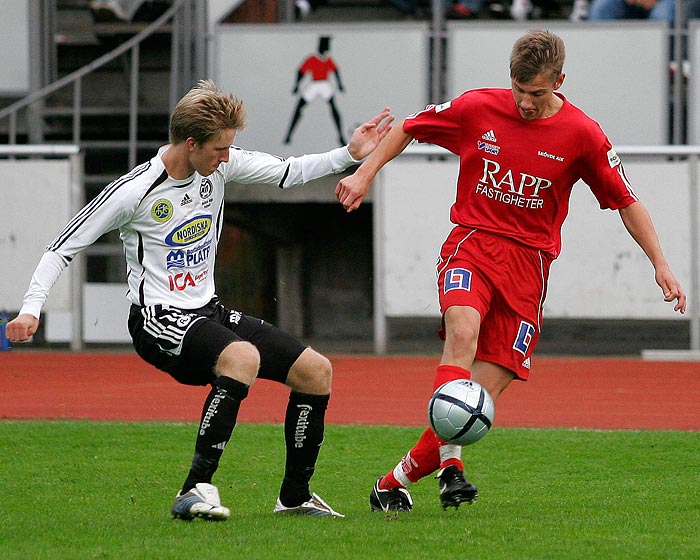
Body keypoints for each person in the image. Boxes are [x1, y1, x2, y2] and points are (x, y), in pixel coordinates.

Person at [6, 79, 393, 521]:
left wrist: (349, 154)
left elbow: (288, 171)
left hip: (207, 310)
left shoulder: (219, 167)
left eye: (230, 149)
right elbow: (62, 246)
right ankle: (193, 490)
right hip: (156, 319)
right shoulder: (135, 190)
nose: (227, 157)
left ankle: (294, 496)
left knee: (315, 371)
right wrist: (31, 308)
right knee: (242, 357)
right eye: (219, 150)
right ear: (190, 143)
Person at [335, 30, 686, 513]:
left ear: (559, 81)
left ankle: (393, 482)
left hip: (530, 269)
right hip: (473, 244)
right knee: (463, 331)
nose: (524, 102)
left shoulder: (583, 134)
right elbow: (410, 127)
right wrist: (363, 173)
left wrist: (660, 265)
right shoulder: (478, 107)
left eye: (536, 93)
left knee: (477, 398)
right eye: (518, 89)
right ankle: (453, 467)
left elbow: (626, 200)